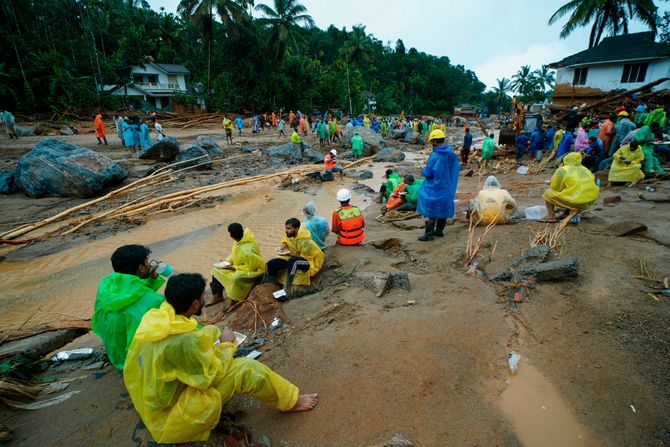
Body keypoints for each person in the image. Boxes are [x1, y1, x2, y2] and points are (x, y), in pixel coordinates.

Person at [124, 273, 318, 444]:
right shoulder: (183, 342)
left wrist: (213, 337)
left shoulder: (156, 318)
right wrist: (227, 345)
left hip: (151, 403)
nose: (203, 299)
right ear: (195, 303)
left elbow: (191, 341)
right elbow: (210, 376)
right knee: (246, 369)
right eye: (202, 296)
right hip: (172, 418)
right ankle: (290, 401)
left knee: (210, 331)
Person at [92, 244, 166, 370]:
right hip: (137, 366)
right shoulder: (152, 301)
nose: (149, 264)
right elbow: (145, 301)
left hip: (118, 359)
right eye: (147, 262)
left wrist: (152, 279)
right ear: (141, 268)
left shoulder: (106, 286)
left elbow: (133, 295)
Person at [417, 129, 459, 241]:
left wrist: (423, 171)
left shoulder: (435, 155)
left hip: (435, 187)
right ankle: (439, 231)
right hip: (447, 187)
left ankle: (428, 234)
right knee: (443, 208)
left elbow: (429, 172)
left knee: (432, 211)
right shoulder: (451, 153)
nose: (431, 144)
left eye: (432, 142)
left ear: (435, 142)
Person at [265, 218, 324, 298]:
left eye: (289, 228)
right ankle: (271, 287)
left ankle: (287, 290)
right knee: (272, 263)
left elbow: (306, 257)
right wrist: (284, 244)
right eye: (286, 228)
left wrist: (290, 254)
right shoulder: (291, 235)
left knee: (293, 262)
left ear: (296, 229)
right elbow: (286, 239)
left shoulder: (305, 241)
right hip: (295, 256)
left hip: (310, 262)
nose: (286, 230)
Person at [209, 223, 265, 307]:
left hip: (255, 271)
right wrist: (225, 262)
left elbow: (251, 267)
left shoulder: (247, 250)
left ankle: (235, 299)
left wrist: (234, 268)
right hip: (241, 267)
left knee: (236, 277)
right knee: (215, 270)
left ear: (231, 235)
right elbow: (235, 255)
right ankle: (217, 296)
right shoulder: (239, 241)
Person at [541, 153, 599, 223]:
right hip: (587, 202)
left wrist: (551, 182)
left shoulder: (563, 169)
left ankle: (551, 217)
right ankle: (566, 213)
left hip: (576, 201)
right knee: (570, 191)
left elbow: (555, 187)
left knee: (548, 193)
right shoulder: (585, 169)